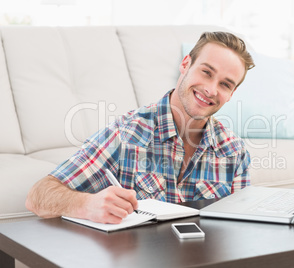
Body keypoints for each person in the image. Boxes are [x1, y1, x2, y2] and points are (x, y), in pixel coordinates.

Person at [26, 31, 255, 224]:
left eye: (225, 84)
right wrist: (86, 204)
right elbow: (38, 197)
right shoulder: (126, 134)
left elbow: (240, 227)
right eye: (206, 72)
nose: (211, 89)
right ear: (185, 65)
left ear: (231, 94)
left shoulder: (234, 152)